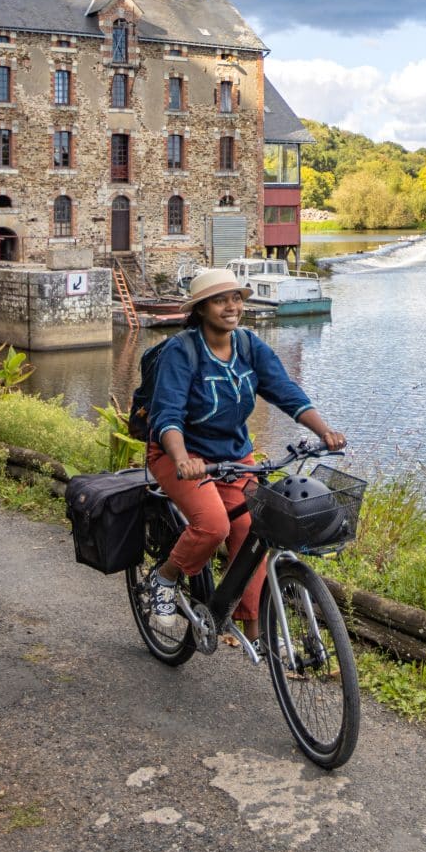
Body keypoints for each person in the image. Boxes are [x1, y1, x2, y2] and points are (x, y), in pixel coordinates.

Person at [144, 266, 344, 644]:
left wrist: (325, 432)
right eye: (220, 300)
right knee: (213, 525)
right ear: (201, 308)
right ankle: (165, 578)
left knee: (253, 531)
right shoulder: (182, 350)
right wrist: (183, 457)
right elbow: (166, 415)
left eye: (235, 298)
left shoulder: (250, 345)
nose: (231, 306)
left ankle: (255, 631)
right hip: (181, 457)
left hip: (234, 456)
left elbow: (286, 392)